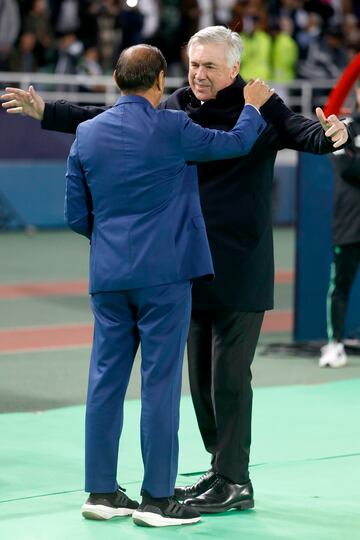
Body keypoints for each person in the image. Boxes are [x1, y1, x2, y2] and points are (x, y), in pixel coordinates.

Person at [1, 26, 349, 515]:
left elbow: (308, 134)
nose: (198, 74)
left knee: (229, 375)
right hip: (185, 262)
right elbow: (111, 118)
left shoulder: (261, 106)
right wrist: (48, 112)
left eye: (209, 66)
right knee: (200, 378)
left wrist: (341, 131)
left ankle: (235, 478)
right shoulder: (176, 109)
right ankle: (219, 468)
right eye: (192, 64)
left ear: (233, 68)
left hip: (240, 262)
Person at [64, 43, 272, 527]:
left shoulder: (87, 134)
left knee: (104, 383)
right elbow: (235, 144)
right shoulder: (172, 126)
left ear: (118, 80)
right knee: (159, 385)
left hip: (108, 277)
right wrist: (253, 108)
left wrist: (114, 242)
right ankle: (158, 500)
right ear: (160, 79)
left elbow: (77, 214)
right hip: (164, 278)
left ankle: (100, 493)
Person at [319, 88, 360, 369]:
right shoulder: (343, 127)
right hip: (350, 220)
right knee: (340, 285)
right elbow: (345, 166)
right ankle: (335, 346)